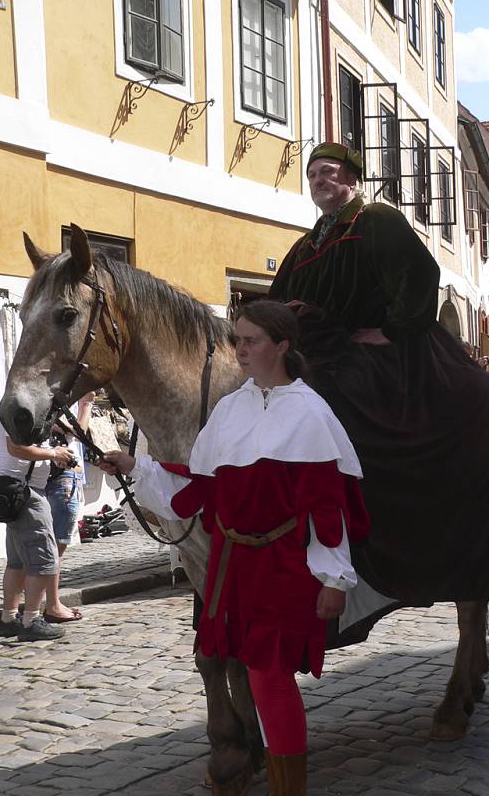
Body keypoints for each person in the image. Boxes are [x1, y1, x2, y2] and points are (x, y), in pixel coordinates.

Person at [100, 300, 370, 795]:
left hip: (285, 567)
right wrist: (134, 467)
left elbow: (328, 508)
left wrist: (333, 578)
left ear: (282, 347)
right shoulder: (229, 409)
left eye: (251, 341)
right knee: (255, 677)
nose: (240, 350)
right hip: (234, 570)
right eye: (237, 340)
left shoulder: (310, 411)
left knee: (269, 678)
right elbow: (196, 494)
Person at [269, 141, 489, 618]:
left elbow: (420, 273)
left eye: (329, 172)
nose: (320, 181)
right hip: (316, 351)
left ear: (351, 178)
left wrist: (389, 328)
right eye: (313, 176)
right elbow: (275, 302)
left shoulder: (376, 220)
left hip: (377, 349)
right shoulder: (305, 244)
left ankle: (370, 526)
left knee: (347, 407)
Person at [0, 422, 75, 641]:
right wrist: (52, 452)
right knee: (43, 559)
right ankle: (31, 621)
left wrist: (51, 456)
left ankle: (9, 619)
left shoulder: (12, 407)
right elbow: (17, 448)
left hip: (15, 489)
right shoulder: (21, 410)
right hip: (27, 493)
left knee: (17, 562)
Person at [43, 391, 94, 622]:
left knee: (53, 544)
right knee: (57, 545)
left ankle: (45, 601)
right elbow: (77, 430)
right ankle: (52, 604)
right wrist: (87, 405)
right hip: (61, 476)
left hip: (60, 476)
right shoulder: (52, 401)